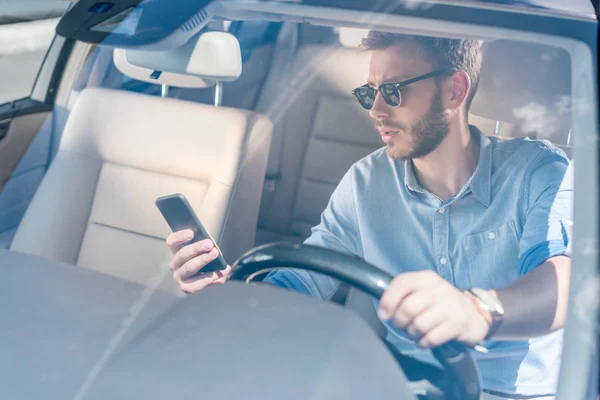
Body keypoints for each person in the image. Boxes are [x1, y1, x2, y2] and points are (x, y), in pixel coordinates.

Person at [165, 31, 572, 400]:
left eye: (393, 91)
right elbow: (307, 275)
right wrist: (234, 294)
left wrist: (479, 311)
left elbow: (563, 280)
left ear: (454, 90)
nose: (376, 110)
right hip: (402, 386)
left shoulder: (539, 171)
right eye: (370, 92)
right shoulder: (366, 180)